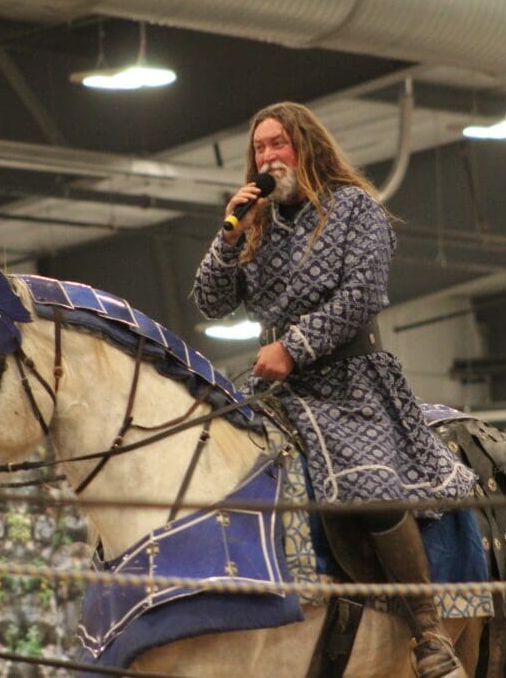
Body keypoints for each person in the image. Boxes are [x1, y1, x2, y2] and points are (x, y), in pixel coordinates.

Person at [193, 102, 477, 678]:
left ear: (306, 146)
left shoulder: (356, 209)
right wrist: (228, 237)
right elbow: (210, 303)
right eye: (260, 148)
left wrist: (293, 348)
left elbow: (361, 296)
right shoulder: (258, 222)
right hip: (276, 387)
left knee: (369, 484)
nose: (268, 156)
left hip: (351, 381)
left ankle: (428, 632)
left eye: (279, 144)